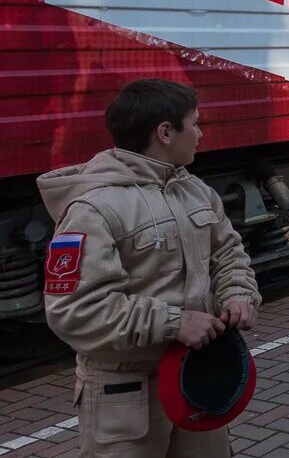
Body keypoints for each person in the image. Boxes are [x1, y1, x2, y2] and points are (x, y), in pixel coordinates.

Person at [37, 79, 261, 458]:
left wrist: (238, 293)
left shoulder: (197, 191)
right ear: (165, 132)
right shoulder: (91, 210)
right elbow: (73, 311)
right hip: (124, 396)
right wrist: (174, 323)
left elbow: (228, 254)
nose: (201, 134)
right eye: (195, 123)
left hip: (198, 380)